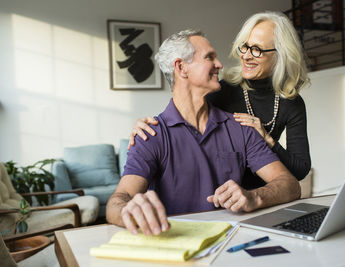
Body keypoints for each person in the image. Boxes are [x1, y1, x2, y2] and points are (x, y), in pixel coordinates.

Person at [106, 30, 300, 236]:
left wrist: (254, 197)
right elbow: (118, 199)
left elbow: (290, 185)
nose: (220, 64)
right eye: (209, 57)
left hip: (232, 242)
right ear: (181, 68)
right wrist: (129, 210)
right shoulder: (150, 135)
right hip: (177, 245)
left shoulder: (240, 128)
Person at [128, 11, 311, 190]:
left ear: (280, 55)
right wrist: (148, 127)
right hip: (224, 194)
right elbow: (181, 112)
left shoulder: (290, 103)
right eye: (245, 46)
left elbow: (300, 170)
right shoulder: (220, 90)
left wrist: (267, 138)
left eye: (257, 50)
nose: (246, 56)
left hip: (266, 192)